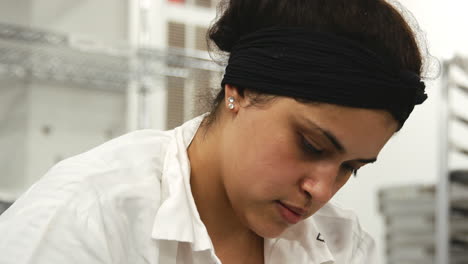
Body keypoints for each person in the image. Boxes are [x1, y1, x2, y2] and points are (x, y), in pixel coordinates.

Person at [0, 0, 431, 263]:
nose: (320, 189)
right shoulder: (86, 217)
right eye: (311, 144)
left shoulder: (339, 246)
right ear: (238, 91)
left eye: (350, 168)